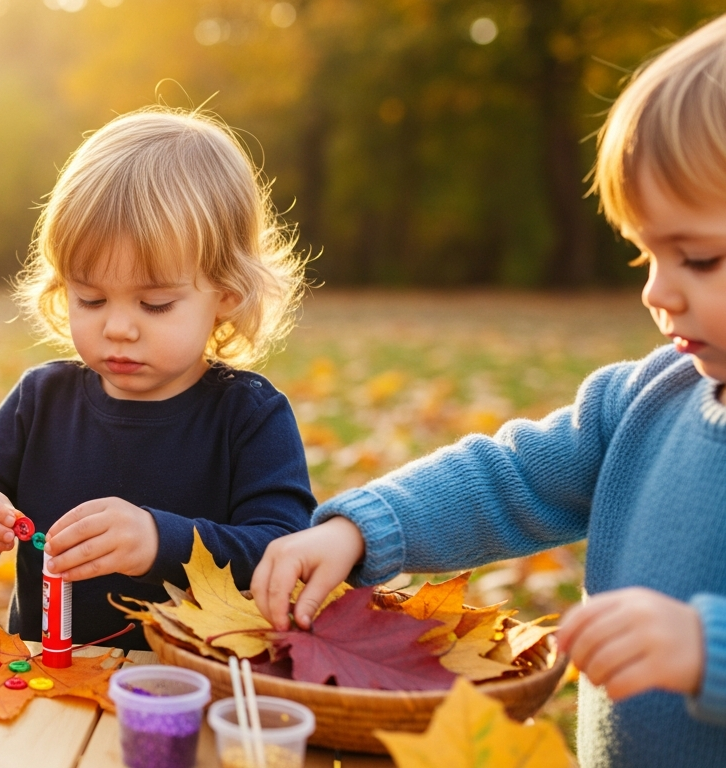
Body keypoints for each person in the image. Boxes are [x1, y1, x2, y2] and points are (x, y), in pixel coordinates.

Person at [250, 17, 726, 766]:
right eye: (645, 257)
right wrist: (359, 530)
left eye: (698, 258)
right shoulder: (645, 403)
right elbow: (509, 477)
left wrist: (709, 648)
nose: (658, 292)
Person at [0, 108, 315, 651]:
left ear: (226, 294)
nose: (118, 327)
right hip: (51, 686)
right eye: (91, 298)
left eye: (155, 304)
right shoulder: (41, 401)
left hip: (194, 685)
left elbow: (284, 553)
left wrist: (161, 541)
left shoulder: (248, 416)